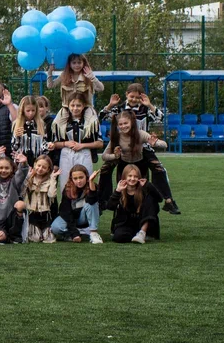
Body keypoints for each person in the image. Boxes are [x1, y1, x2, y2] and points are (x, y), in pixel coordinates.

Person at [102, 83, 177, 213]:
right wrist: (110, 105)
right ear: (126, 94)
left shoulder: (144, 109)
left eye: (137, 97)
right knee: (105, 169)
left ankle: (168, 200)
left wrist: (149, 105)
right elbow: (101, 116)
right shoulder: (119, 109)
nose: (134, 99)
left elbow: (161, 118)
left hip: (143, 145)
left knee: (158, 168)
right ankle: (103, 200)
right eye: (132, 96)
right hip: (121, 146)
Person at [49, 95, 102, 191]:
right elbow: (54, 144)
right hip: (66, 153)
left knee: (86, 182)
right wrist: (65, 143)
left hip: (85, 153)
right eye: (72, 105)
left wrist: (82, 145)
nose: (75, 108)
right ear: (68, 106)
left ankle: (87, 205)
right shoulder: (61, 121)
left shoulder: (91, 121)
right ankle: (67, 205)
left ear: (84, 106)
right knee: (66, 184)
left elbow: (100, 143)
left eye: (78, 105)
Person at [104, 164, 162, 244]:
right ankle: (136, 236)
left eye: (135, 176)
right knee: (119, 237)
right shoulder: (120, 190)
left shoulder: (144, 189)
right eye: (130, 176)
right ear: (124, 177)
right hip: (125, 224)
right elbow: (110, 206)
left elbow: (159, 199)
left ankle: (142, 232)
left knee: (151, 198)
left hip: (142, 221)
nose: (132, 179)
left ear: (139, 178)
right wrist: (117, 191)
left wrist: (149, 185)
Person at [0, 151, 29, 244]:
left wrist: (24, 163)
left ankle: (15, 235)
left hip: (11, 219)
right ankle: (5, 236)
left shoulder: (14, 182)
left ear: (12, 169)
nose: (3, 170)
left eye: (7, 168)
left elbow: (21, 174)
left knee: (20, 205)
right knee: (0, 237)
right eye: (1, 168)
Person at [50, 165, 102, 243]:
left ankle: (94, 233)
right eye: (75, 178)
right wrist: (74, 233)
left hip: (84, 218)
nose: (78, 181)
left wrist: (91, 182)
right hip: (71, 218)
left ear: (86, 177)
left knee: (91, 204)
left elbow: (93, 202)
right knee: (55, 228)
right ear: (71, 179)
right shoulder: (68, 189)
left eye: (81, 177)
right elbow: (65, 212)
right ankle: (71, 235)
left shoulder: (93, 186)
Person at [22, 155, 59, 243]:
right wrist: (27, 178)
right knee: (35, 238)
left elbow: (52, 195)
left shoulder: (50, 180)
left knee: (49, 239)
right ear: (35, 165)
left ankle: (45, 231)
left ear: (48, 169)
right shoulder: (30, 178)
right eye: (38, 165)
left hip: (45, 214)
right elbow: (22, 193)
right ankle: (37, 231)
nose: (40, 168)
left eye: (44, 167)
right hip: (32, 213)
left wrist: (53, 179)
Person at [8, 93, 49, 166]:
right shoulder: (16, 124)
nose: (31, 113)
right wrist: (16, 136)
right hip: (20, 162)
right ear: (22, 110)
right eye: (28, 110)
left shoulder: (41, 124)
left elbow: (44, 147)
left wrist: (49, 146)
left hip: (37, 162)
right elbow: (13, 148)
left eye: (33, 110)